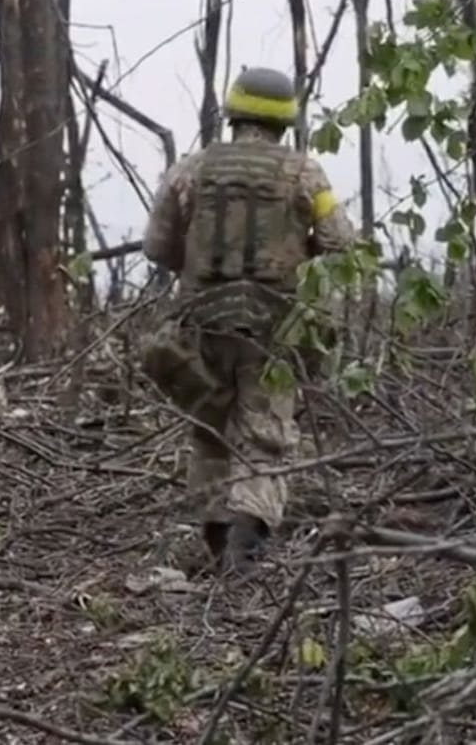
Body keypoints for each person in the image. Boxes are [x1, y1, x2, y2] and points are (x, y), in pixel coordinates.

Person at [140, 67, 356, 575]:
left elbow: (157, 246)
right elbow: (341, 240)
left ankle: (219, 546)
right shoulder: (306, 174)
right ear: (285, 120)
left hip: (199, 325)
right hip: (273, 328)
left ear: (233, 112)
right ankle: (245, 552)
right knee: (265, 434)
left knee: (210, 429)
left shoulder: (189, 170)